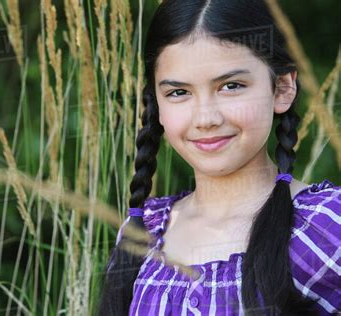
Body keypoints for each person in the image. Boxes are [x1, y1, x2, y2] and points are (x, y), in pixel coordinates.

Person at [98, 0, 340, 315]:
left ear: (282, 88)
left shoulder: (327, 226)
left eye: (231, 86)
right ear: (155, 102)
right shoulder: (142, 232)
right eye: (178, 93)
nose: (205, 118)